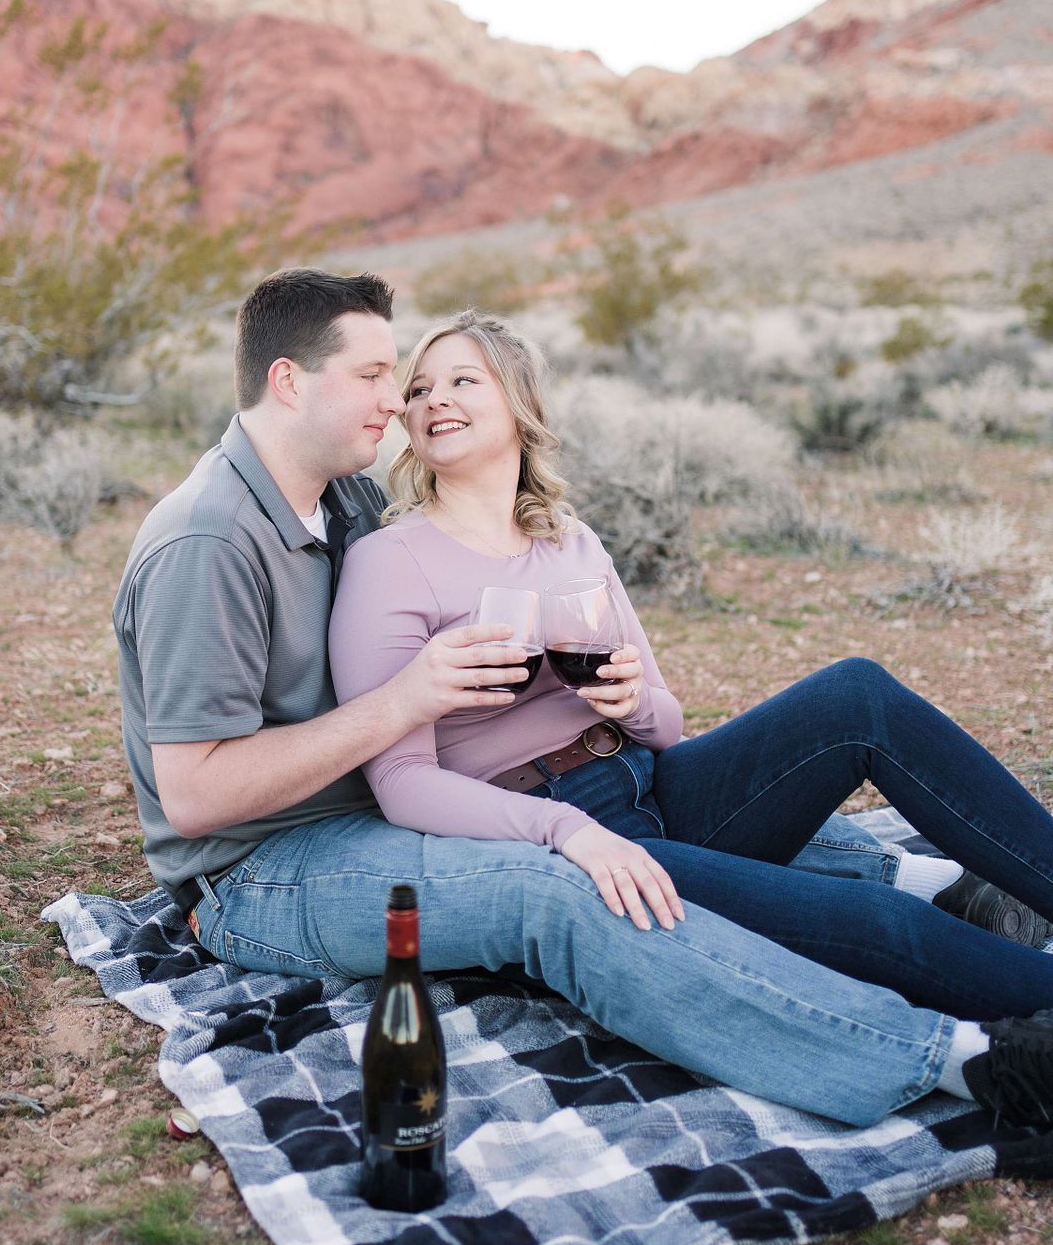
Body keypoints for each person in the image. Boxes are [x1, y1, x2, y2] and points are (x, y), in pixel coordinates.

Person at [114, 268, 1053, 1134]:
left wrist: (634, 699)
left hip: (590, 784)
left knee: (851, 704)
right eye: (380, 376)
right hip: (268, 864)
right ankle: (975, 1057)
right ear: (288, 382)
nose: (404, 399)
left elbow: (654, 716)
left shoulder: (344, 501)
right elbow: (201, 797)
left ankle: (984, 895)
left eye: (432, 380)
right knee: (586, 889)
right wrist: (410, 706)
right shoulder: (218, 543)